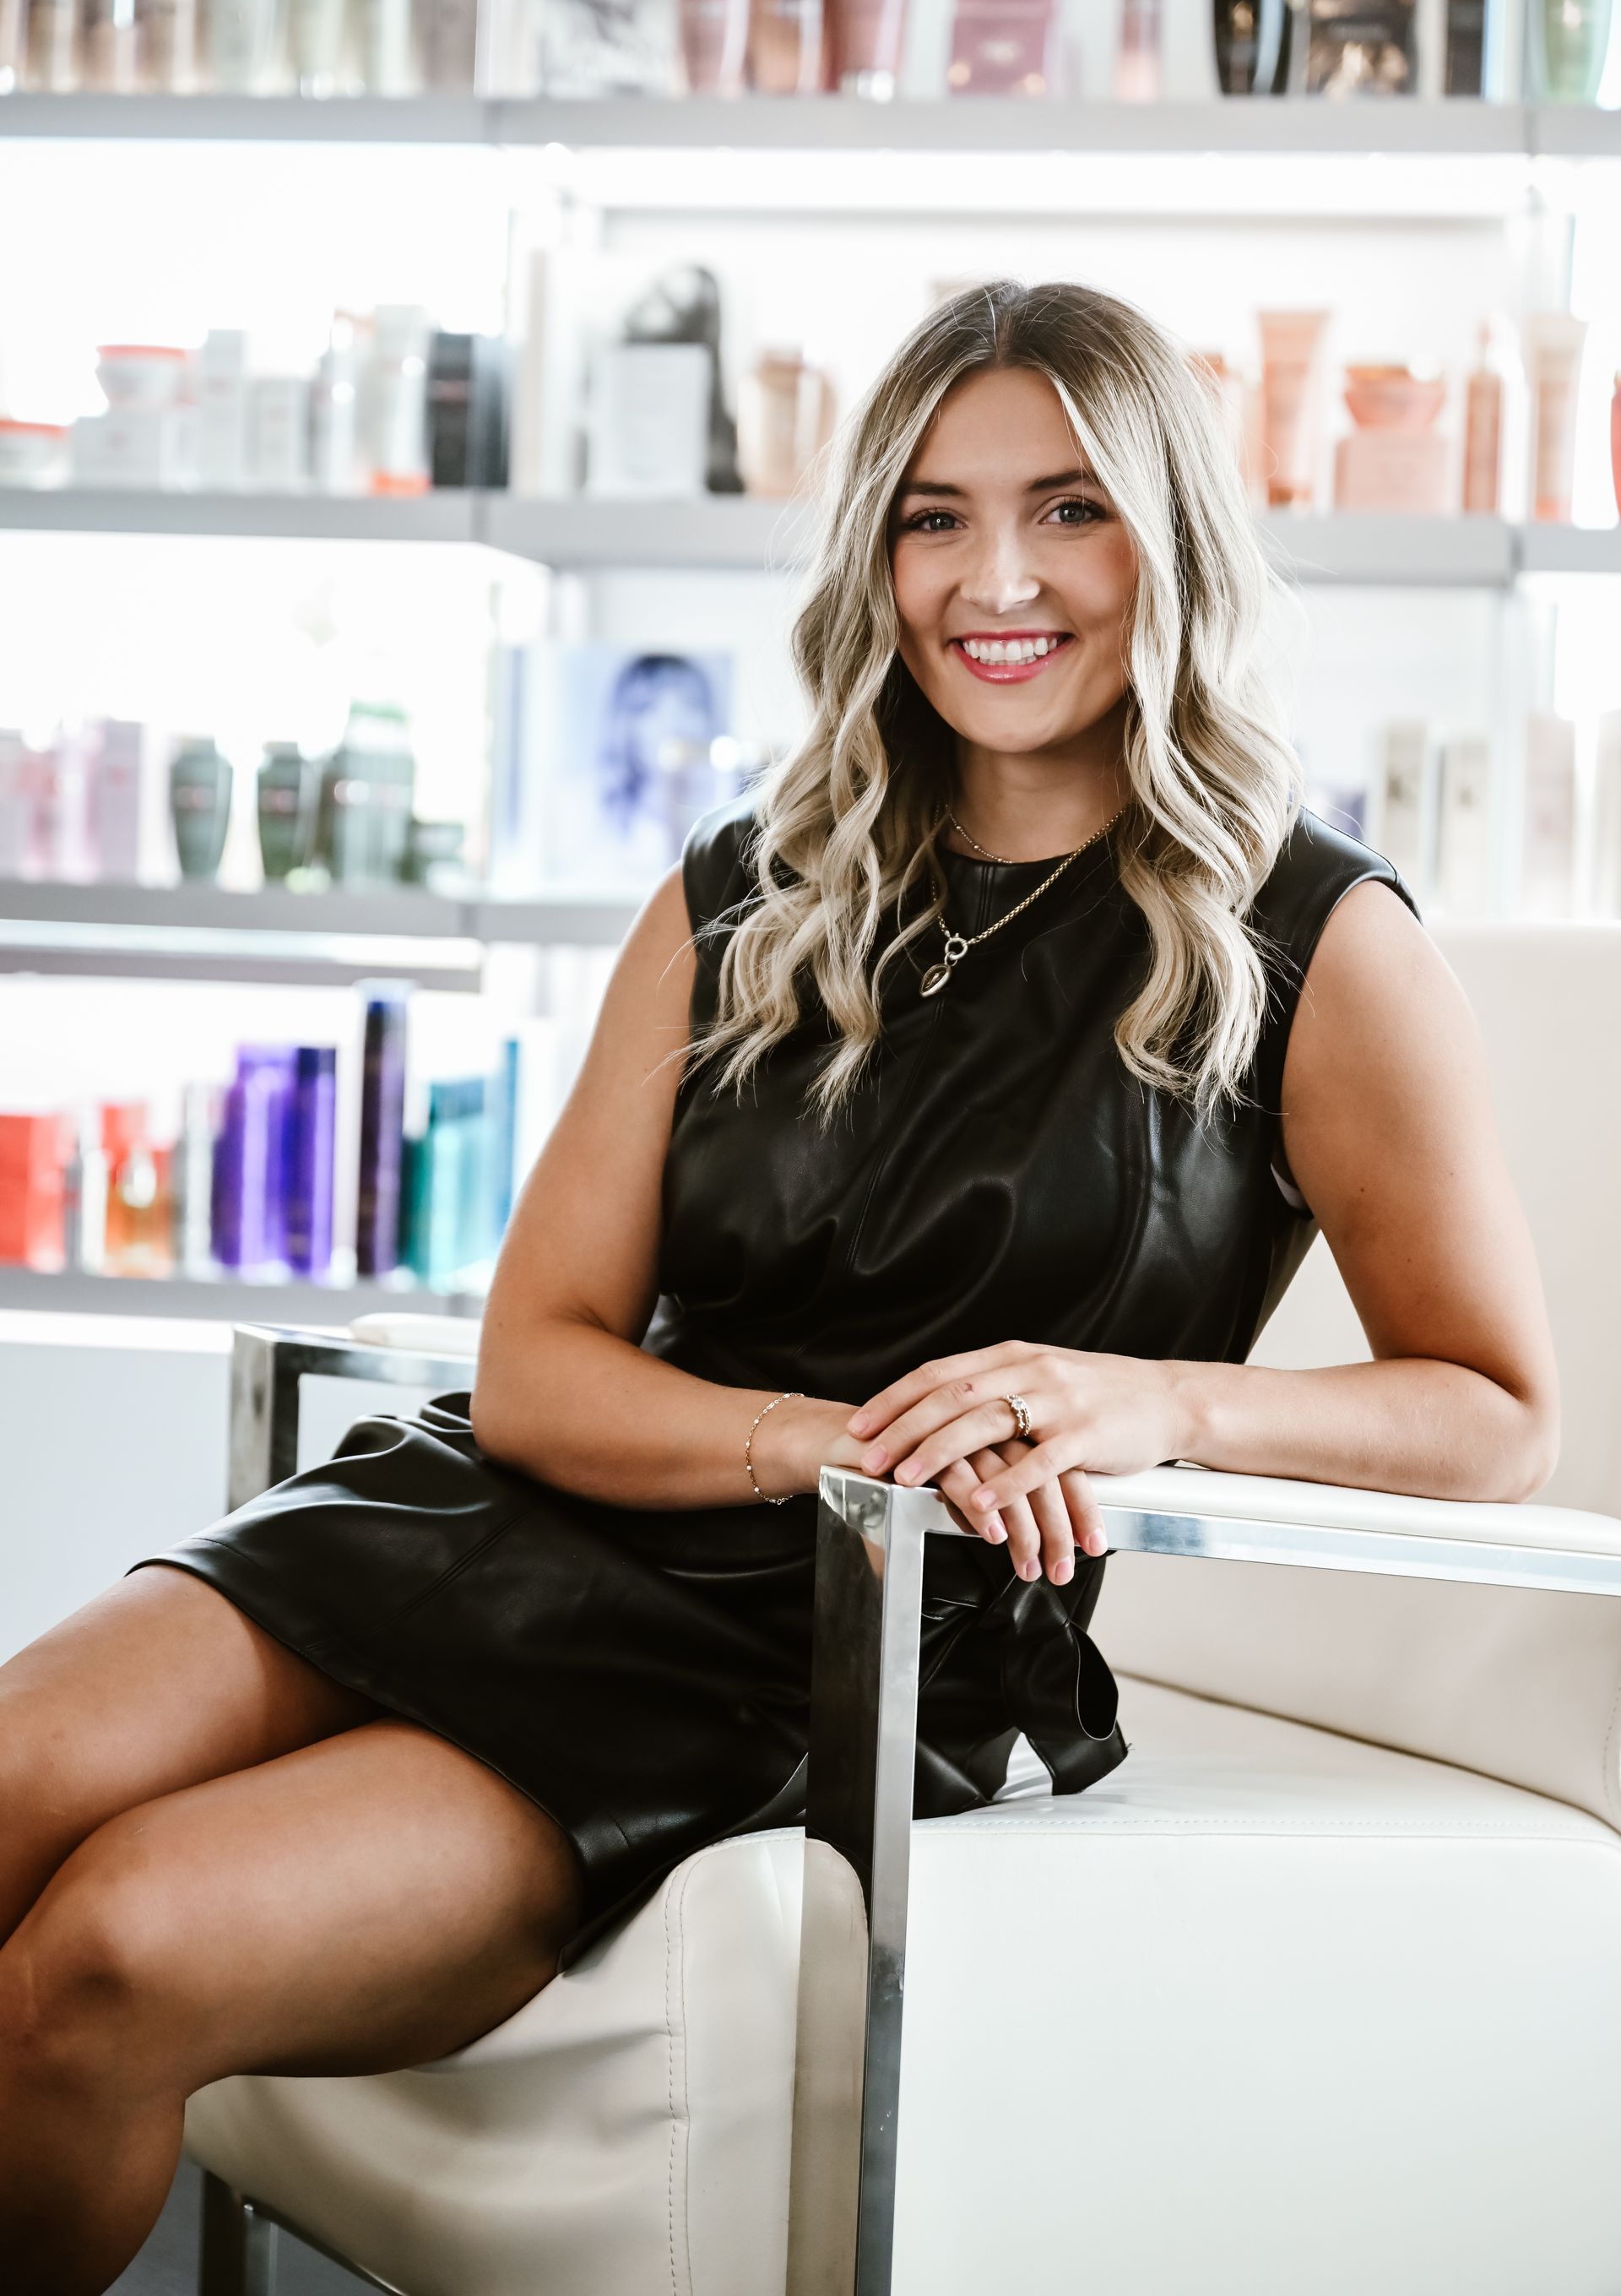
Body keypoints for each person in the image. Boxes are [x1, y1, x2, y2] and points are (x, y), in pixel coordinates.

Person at [0, 280, 1559, 2295]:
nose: (995, 578)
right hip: (526, 1510)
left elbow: (1495, 1412)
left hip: (839, 1645)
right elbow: (540, 1369)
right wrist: (818, 1441)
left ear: (1167, 539)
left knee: (112, 1959)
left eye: (1069, 508)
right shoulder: (746, 889)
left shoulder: (1312, 941)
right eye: (932, 515)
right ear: (874, 557)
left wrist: (1154, 1400)